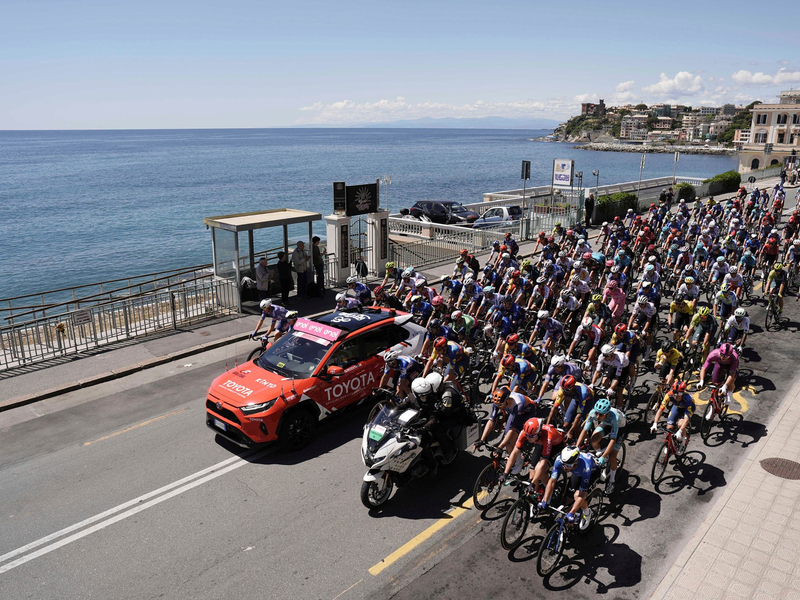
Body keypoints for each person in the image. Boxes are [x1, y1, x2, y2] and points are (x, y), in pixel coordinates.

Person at [538, 446, 600, 531]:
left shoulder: (586, 467)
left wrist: (572, 513)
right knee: (569, 498)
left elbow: (582, 495)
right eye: (563, 464)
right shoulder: (560, 460)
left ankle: (587, 512)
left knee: (577, 495)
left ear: (575, 462)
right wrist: (544, 501)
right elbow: (552, 481)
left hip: (591, 473)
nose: (564, 467)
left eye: (567, 465)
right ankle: (573, 512)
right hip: (577, 472)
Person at [501, 417, 565, 497]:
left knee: (540, 471)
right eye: (527, 435)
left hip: (556, 447)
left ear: (539, 433)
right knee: (532, 470)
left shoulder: (547, 437)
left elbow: (542, 462)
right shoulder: (524, 432)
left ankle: (550, 491)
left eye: (531, 436)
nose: (528, 438)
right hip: (540, 443)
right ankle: (534, 495)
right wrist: (505, 473)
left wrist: (533, 483)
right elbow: (514, 453)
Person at [575, 397, 626, 494]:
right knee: (593, 440)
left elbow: (612, 439)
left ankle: (612, 480)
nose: (597, 416)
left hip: (619, 426)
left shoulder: (615, 417)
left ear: (607, 413)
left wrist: (603, 456)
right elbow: (584, 430)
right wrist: (577, 446)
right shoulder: (593, 412)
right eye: (597, 413)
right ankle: (600, 453)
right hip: (606, 423)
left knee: (612, 456)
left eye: (601, 414)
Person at [650, 380, 694, 455]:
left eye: (679, 393)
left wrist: (680, 431)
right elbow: (660, 410)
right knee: (669, 427)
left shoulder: (688, 400)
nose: (676, 395)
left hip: (687, 408)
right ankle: (669, 444)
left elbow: (686, 419)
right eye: (675, 392)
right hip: (677, 407)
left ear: (683, 393)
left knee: (680, 424)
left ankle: (683, 441)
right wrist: (655, 423)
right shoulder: (669, 395)